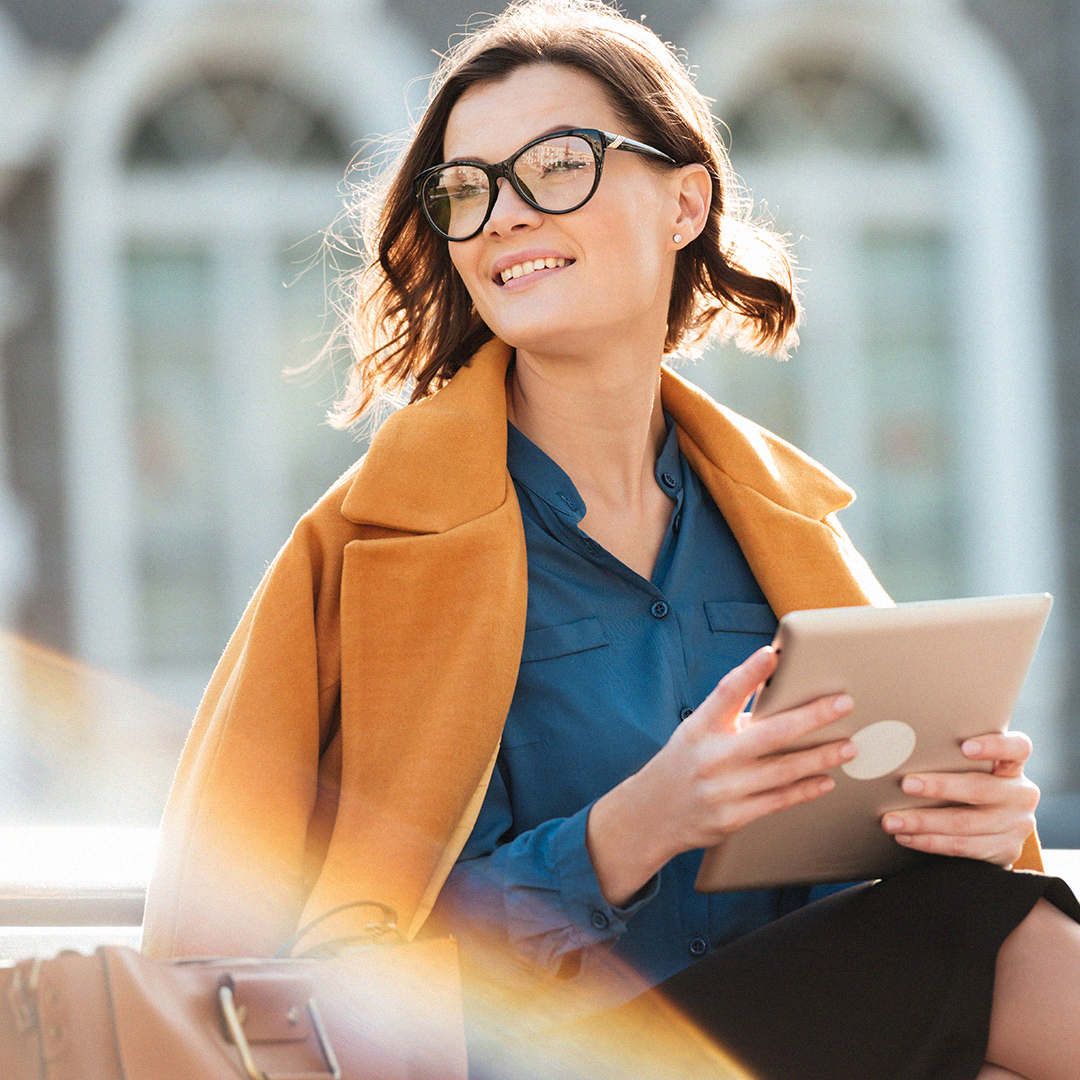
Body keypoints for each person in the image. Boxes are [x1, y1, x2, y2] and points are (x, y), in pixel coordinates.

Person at [142, 2, 1080, 1077]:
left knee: (970, 905)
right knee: (974, 935)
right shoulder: (371, 555)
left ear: (686, 201)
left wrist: (943, 820)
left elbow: (834, 903)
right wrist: (629, 831)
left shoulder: (779, 531)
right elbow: (346, 969)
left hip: (776, 1046)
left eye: (555, 167)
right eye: (467, 189)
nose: (502, 216)